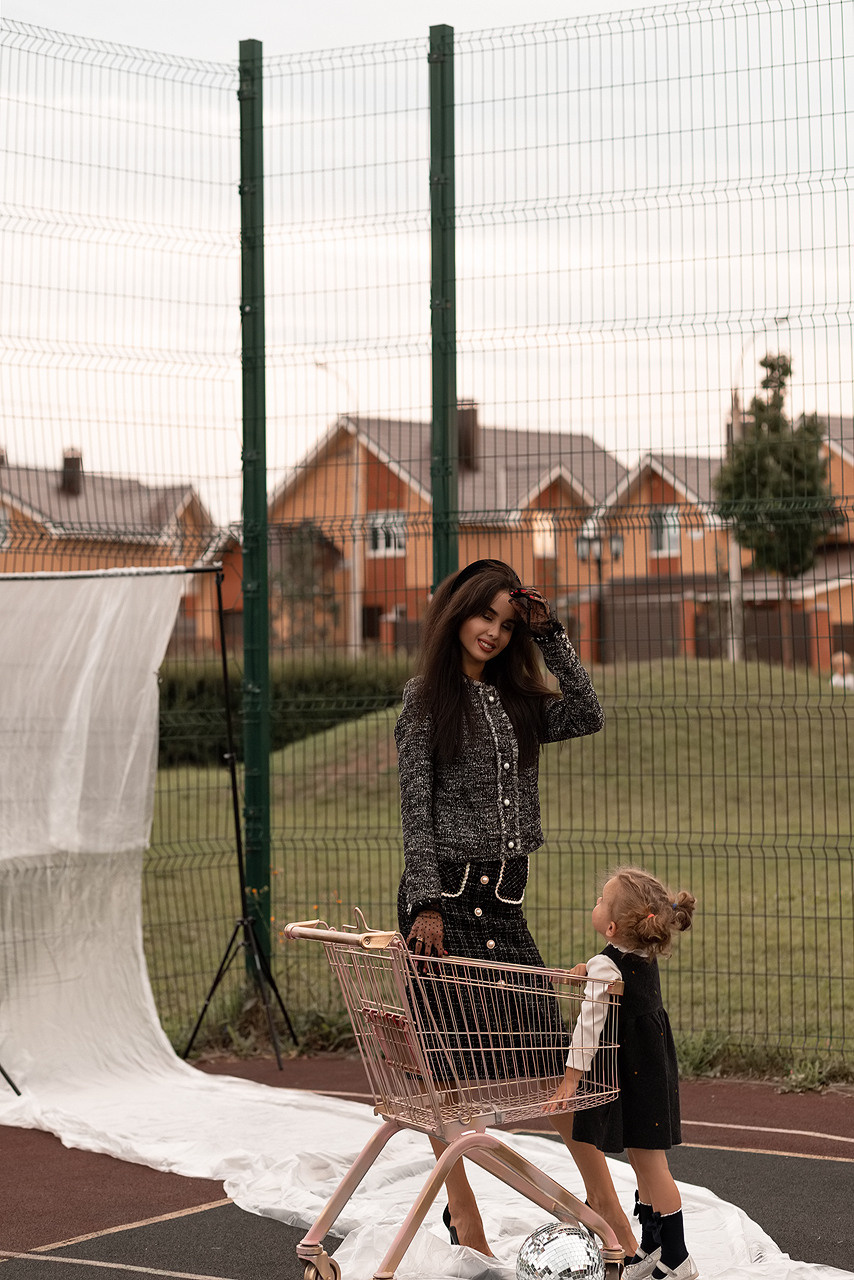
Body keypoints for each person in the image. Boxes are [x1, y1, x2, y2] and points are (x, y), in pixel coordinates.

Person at [394, 557, 634, 1256]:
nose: (493, 633)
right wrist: (426, 906)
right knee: (448, 1074)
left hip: (505, 906)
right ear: (457, 614)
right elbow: (416, 813)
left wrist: (550, 631)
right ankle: (464, 1217)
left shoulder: (518, 702)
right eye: (483, 616)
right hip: (444, 906)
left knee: (550, 1060)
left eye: (505, 622)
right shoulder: (424, 701)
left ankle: (609, 1214)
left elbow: (587, 710)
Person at [548, 867, 698, 1280]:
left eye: (600, 901)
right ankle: (651, 1246)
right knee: (641, 1158)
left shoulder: (606, 966)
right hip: (651, 1069)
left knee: (652, 1166)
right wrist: (589, 970)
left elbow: (587, 1027)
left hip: (633, 1075)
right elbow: (613, 981)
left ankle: (678, 1256)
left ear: (611, 925)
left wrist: (570, 1080)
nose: (594, 904)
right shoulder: (636, 955)